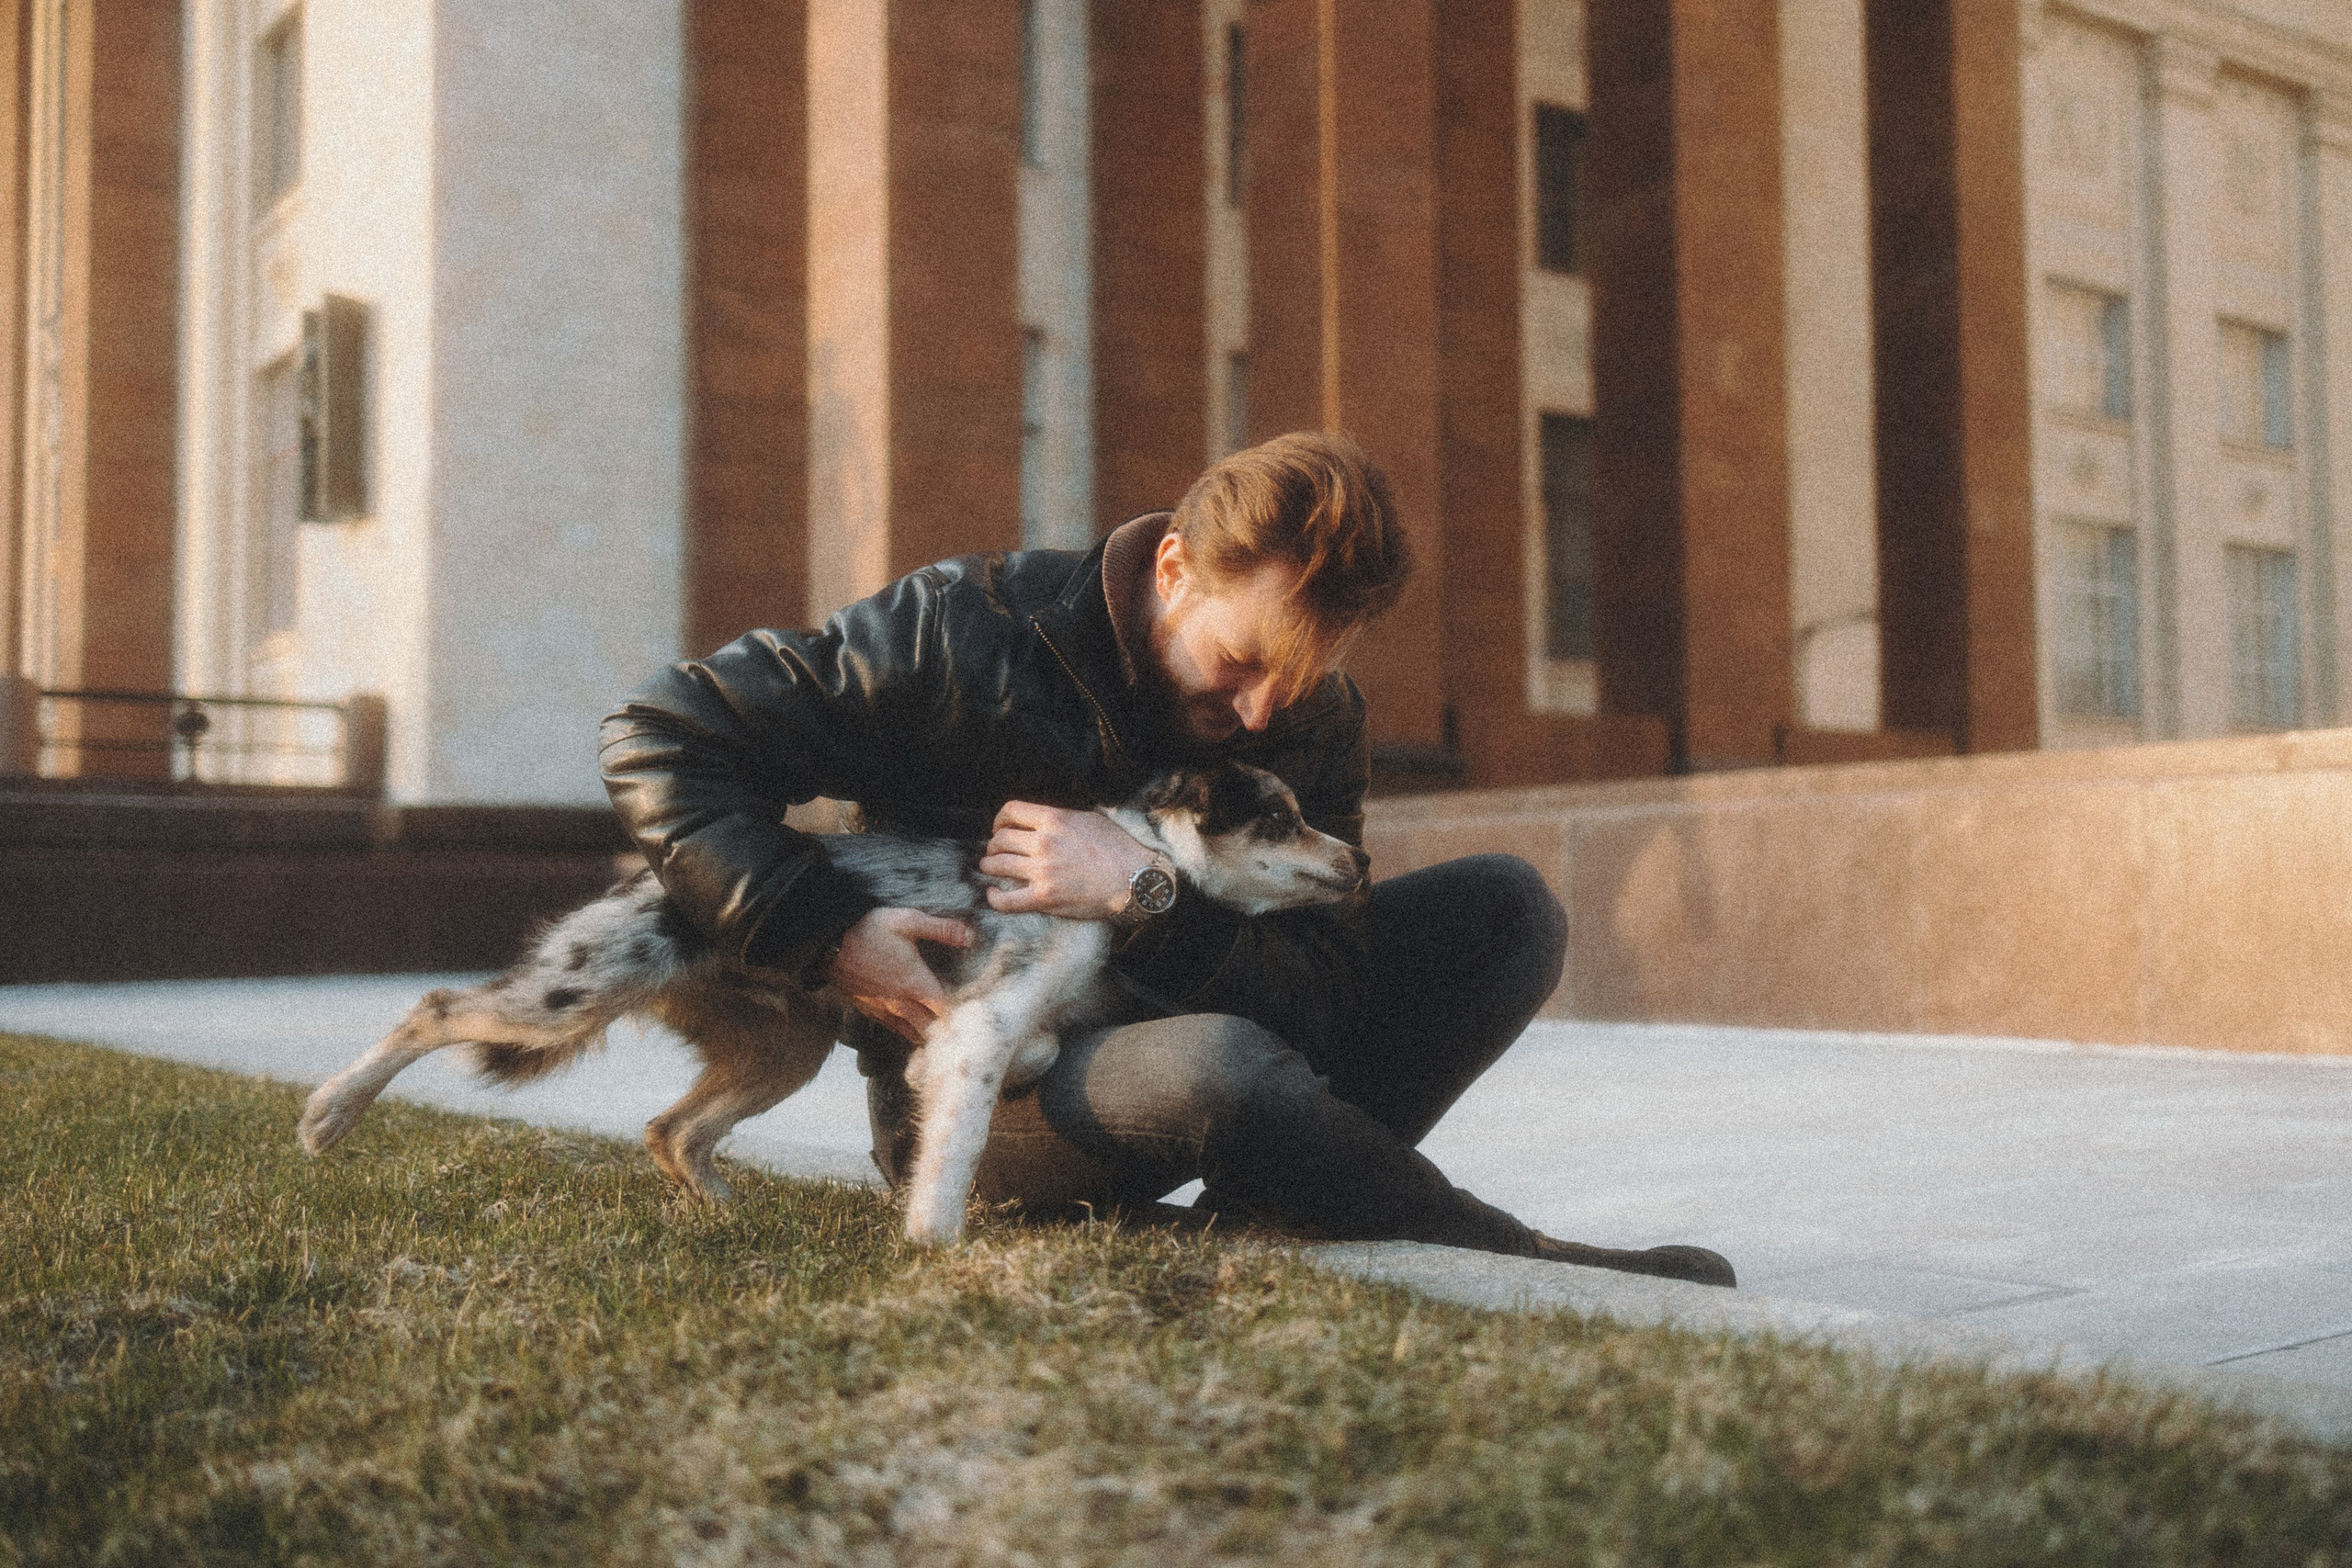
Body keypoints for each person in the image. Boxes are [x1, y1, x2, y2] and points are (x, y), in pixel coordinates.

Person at [600, 432, 1734, 1286]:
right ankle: (1503, 1250)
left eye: (1292, 680)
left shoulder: (1312, 716)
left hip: (1204, 1033)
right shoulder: (964, 629)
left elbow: (1324, 995)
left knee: (1505, 909)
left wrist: (1144, 897)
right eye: (1240, 664)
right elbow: (664, 733)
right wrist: (823, 932)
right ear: (1178, 567)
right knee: (1220, 1067)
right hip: (987, 1095)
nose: (1258, 713)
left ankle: (1278, 1206)